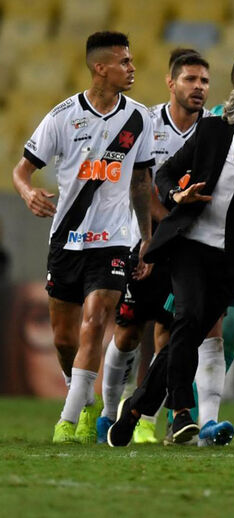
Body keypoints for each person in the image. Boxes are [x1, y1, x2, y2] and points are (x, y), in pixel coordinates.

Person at [107, 67, 234, 447]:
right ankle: (181, 411)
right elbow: (165, 174)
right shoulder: (212, 132)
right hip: (190, 246)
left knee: (188, 333)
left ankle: (135, 408)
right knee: (189, 317)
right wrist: (178, 197)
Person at [12, 31, 155, 444]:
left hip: (113, 239)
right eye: (124, 62)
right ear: (100, 67)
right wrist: (27, 192)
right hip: (67, 240)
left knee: (96, 322)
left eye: (131, 61)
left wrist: (144, 238)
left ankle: (67, 421)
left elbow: (141, 181)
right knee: (63, 340)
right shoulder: (62, 116)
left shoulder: (138, 118)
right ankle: (82, 395)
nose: (131, 68)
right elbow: (21, 170)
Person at [98, 49, 212, 445]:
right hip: (145, 244)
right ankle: (108, 413)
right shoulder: (145, 121)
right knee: (129, 332)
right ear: (171, 82)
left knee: (170, 333)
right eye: (190, 80)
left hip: (189, 250)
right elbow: (139, 185)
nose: (198, 88)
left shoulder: (212, 128)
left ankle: (150, 419)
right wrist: (170, 222)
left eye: (204, 81)